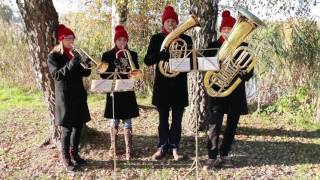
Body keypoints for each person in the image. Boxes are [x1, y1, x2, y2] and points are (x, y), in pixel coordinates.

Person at [203, 10, 254, 169]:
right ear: (220, 30)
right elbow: (204, 68)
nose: (227, 32)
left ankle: (224, 154)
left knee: (231, 127)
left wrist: (242, 73)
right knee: (214, 126)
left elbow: (249, 72)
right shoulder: (213, 46)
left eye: (230, 29)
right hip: (217, 92)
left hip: (235, 93)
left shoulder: (244, 47)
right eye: (225, 29)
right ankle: (212, 156)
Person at [144, 5, 193, 161]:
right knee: (163, 120)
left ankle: (175, 148)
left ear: (177, 23)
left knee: (177, 121)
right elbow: (147, 61)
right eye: (168, 21)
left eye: (173, 21)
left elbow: (192, 64)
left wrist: (179, 61)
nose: (171, 24)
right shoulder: (157, 39)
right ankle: (162, 146)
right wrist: (160, 55)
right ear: (163, 23)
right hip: (162, 87)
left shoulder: (186, 39)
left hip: (179, 86)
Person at [47, 24, 91, 172]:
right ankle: (65, 157)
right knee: (66, 129)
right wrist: (73, 62)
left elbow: (84, 74)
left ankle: (74, 153)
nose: (72, 40)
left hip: (78, 95)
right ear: (61, 39)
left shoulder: (74, 54)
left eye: (73, 38)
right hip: (65, 97)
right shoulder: (53, 56)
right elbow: (57, 75)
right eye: (69, 38)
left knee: (78, 126)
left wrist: (87, 65)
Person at [100, 25, 142, 161]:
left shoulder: (133, 54)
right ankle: (113, 147)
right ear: (115, 41)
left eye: (124, 40)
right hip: (114, 92)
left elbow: (136, 73)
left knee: (128, 121)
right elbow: (103, 75)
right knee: (114, 120)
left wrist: (127, 65)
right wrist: (117, 63)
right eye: (119, 40)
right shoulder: (107, 55)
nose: (122, 43)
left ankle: (129, 149)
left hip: (127, 91)